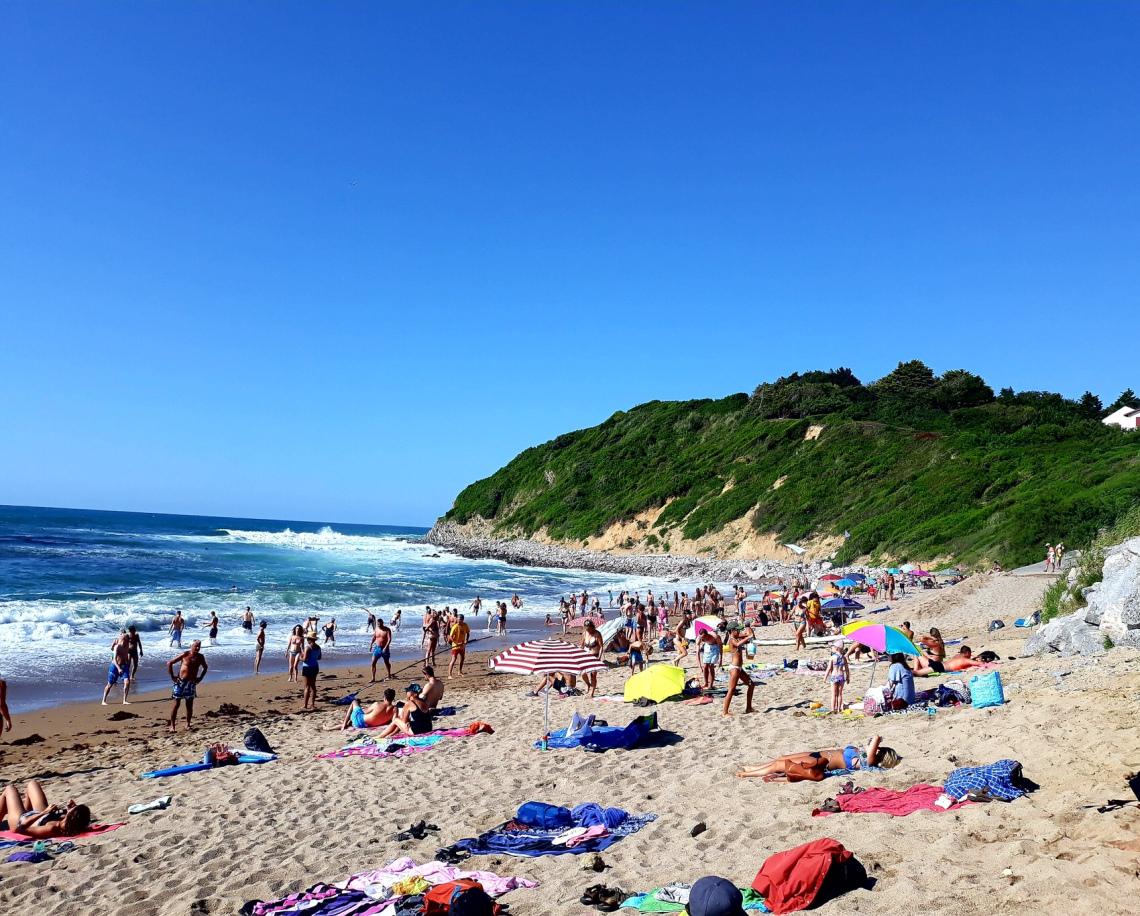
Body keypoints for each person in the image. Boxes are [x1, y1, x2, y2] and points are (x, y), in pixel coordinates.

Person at [736, 736, 900, 781]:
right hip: (819, 754)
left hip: (822, 762)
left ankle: (747, 775)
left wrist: (879, 742)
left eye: (880, 750)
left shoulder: (869, 761)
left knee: (781, 764)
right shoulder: (865, 755)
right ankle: (754, 768)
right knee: (782, 758)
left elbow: (876, 737)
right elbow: (871, 742)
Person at [0, 780, 91, 839]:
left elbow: (20, 829)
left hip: (21, 820)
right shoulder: (68, 822)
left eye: (72, 809)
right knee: (33, 783)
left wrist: (44, 812)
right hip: (39, 815)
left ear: (71, 816)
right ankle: (25, 808)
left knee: (10, 789)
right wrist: (69, 809)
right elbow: (78, 818)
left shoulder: (52, 828)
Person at [167, 640, 208, 732]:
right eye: (196, 646)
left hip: (191, 684)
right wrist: (172, 676)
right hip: (180, 683)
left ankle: (188, 724)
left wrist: (200, 677)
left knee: (189, 705)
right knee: (176, 704)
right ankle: (172, 726)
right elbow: (170, 663)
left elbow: (205, 667)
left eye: (199, 646)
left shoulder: (200, 657)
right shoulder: (185, 654)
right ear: (191, 646)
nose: (197, 648)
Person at [722, 623, 756, 717]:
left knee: (751, 685)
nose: (739, 631)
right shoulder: (732, 640)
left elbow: (746, 635)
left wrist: (749, 632)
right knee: (731, 689)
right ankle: (725, 712)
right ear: (732, 631)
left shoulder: (736, 637)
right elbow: (738, 644)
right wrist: (747, 637)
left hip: (739, 668)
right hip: (734, 668)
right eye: (737, 630)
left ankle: (749, 708)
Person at [101, 630, 132, 706]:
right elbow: (114, 660)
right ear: (123, 639)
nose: (127, 641)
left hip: (124, 666)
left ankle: (124, 700)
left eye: (128, 640)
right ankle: (103, 700)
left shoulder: (127, 646)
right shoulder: (117, 646)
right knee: (110, 684)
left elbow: (127, 655)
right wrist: (118, 668)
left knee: (127, 682)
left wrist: (127, 664)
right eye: (126, 640)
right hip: (115, 666)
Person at [824, 642, 850, 714]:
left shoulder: (832, 657)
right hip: (841, 676)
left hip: (834, 676)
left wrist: (825, 678)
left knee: (833, 694)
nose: (832, 649)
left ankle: (833, 709)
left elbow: (829, 668)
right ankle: (838, 709)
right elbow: (847, 669)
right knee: (840, 694)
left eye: (832, 647)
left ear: (836, 648)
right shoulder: (844, 658)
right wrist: (848, 677)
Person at [580, 620, 602, 698]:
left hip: (594, 656)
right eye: (586, 628)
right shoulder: (585, 633)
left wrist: (599, 657)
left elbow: (601, 646)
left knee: (593, 675)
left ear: (592, 627)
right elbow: (582, 646)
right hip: (585, 656)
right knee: (583, 673)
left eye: (589, 628)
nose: (588, 630)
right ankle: (588, 685)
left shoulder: (597, 634)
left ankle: (592, 692)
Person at [300, 635, 322, 710]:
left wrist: (300, 657)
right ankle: (312, 704)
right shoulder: (318, 647)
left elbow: (305, 659)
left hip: (307, 667)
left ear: (309, 639)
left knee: (307, 687)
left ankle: (305, 705)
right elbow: (319, 657)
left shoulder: (308, 647)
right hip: (315, 667)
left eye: (307, 639)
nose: (307, 640)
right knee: (313, 686)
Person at [370, 617, 393, 682]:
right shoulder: (376, 629)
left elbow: (389, 639)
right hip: (377, 648)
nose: (379, 625)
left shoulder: (387, 630)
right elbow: (374, 637)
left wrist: (386, 647)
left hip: (385, 649)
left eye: (380, 624)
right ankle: (373, 678)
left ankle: (389, 675)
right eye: (378, 624)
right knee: (373, 663)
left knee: (386, 662)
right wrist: (371, 644)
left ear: (382, 623)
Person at [448, 613, 470, 677]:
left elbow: (468, 633)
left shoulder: (465, 625)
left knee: (462, 658)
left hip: (462, 646)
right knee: (454, 659)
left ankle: (459, 671)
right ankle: (449, 675)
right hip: (455, 646)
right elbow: (450, 637)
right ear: (457, 619)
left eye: (462, 619)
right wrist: (456, 643)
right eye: (460, 619)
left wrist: (466, 640)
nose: (461, 620)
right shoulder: (455, 627)